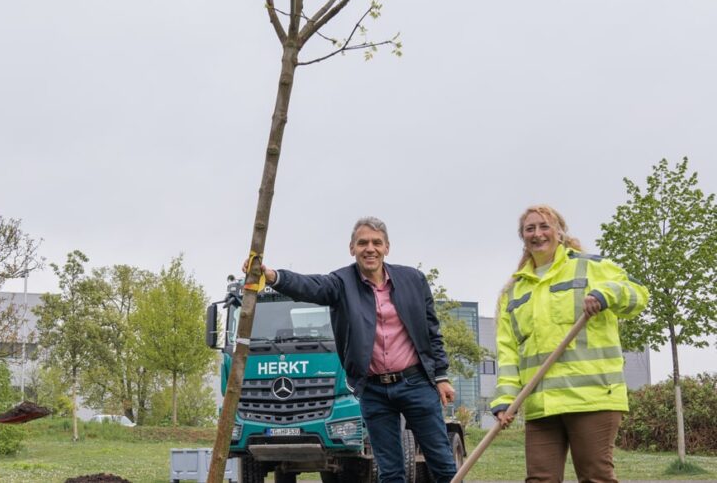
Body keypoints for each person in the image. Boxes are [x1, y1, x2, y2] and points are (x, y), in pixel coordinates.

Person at [256, 216, 458, 483]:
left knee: (442, 464)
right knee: (390, 471)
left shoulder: (413, 280)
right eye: (362, 243)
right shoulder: (341, 283)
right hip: (374, 391)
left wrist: (441, 375)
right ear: (352, 248)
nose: (370, 248)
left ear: (387, 247)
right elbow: (309, 286)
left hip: (416, 383)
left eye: (376, 242)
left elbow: (431, 331)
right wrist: (273, 276)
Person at [492, 204, 649, 483]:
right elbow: (508, 353)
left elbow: (638, 295)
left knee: (595, 477)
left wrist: (605, 295)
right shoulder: (513, 292)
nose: (538, 233)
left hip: (592, 398)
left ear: (560, 232)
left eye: (544, 226)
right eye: (530, 228)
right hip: (542, 403)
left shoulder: (591, 267)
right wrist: (506, 400)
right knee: (540, 479)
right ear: (523, 237)